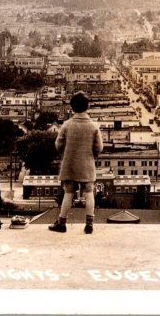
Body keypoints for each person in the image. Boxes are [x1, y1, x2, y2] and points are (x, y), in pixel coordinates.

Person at [50, 91, 104, 234]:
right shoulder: (93, 126)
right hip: (87, 164)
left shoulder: (67, 125)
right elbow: (99, 147)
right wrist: (92, 155)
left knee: (68, 193)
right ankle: (89, 225)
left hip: (70, 164)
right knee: (89, 193)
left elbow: (58, 145)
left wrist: (65, 152)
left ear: (72, 107)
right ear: (88, 106)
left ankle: (62, 223)